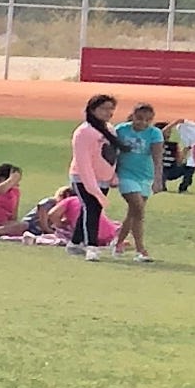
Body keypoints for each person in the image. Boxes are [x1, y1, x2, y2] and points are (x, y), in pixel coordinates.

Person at [68, 93, 122, 262]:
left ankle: (75, 242)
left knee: (89, 210)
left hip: (103, 178)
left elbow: (112, 155)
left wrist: (113, 176)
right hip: (84, 178)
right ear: (92, 110)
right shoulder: (83, 132)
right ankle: (91, 246)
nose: (108, 112)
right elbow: (83, 161)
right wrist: (92, 186)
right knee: (93, 209)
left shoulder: (110, 129)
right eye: (103, 108)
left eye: (111, 108)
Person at [113, 102, 164, 262]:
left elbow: (157, 158)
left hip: (144, 176)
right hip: (126, 174)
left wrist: (158, 179)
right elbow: (112, 152)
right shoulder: (121, 130)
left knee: (133, 213)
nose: (143, 122)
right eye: (139, 118)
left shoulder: (155, 133)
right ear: (133, 116)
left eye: (147, 120)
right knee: (138, 209)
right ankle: (141, 250)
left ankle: (118, 242)